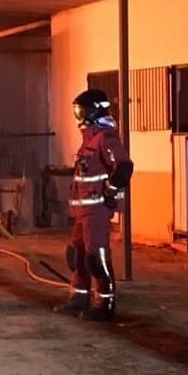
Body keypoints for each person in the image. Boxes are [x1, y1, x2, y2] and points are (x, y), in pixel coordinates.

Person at [56, 88, 132, 321]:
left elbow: (124, 166)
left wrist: (110, 191)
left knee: (95, 257)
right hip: (83, 211)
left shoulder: (105, 138)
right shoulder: (89, 139)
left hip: (97, 210)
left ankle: (105, 302)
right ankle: (79, 298)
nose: (78, 115)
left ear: (92, 110)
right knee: (77, 255)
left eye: (81, 110)